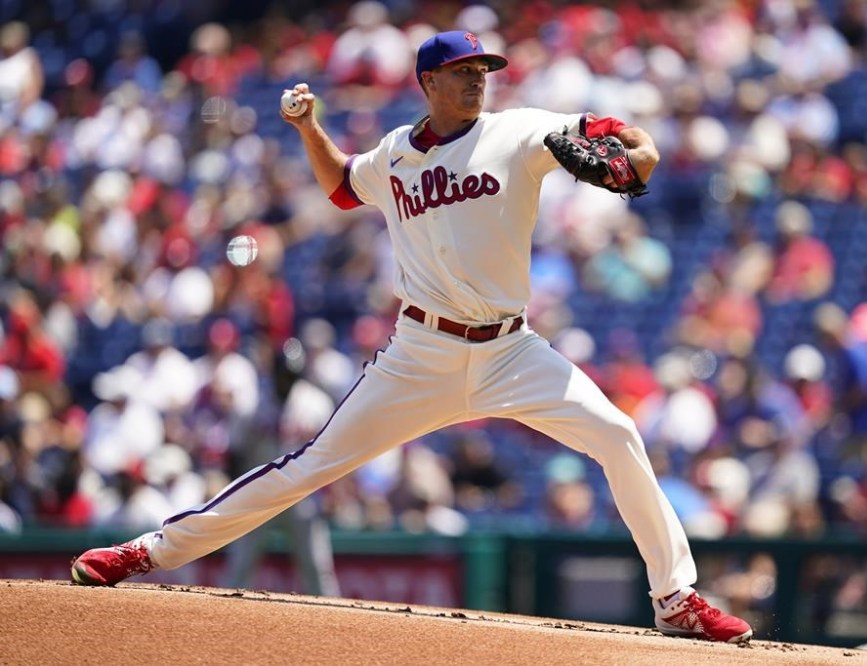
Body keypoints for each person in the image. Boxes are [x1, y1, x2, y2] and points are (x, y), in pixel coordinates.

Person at [68, 30, 752, 643]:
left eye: (483, 68)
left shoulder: (518, 131)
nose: (477, 78)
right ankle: (148, 551)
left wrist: (643, 153)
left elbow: (631, 143)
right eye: (462, 71)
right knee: (306, 467)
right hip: (420, 353)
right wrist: (311, 128)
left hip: (512, 350)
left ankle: (675, 598)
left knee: (618, 436)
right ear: (428, 83)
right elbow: (341, 187)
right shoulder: (397, 153)